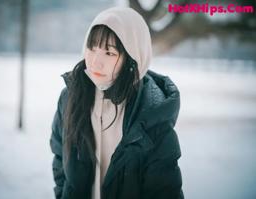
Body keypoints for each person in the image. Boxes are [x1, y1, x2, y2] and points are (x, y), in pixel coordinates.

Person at [50, 7, 183, 199]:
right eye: (92, 48)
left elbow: (164, 189)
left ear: (132, 57)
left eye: (109, 53)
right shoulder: (70, 97)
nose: (96, 61)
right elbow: (60, 156)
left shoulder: (152, 113)